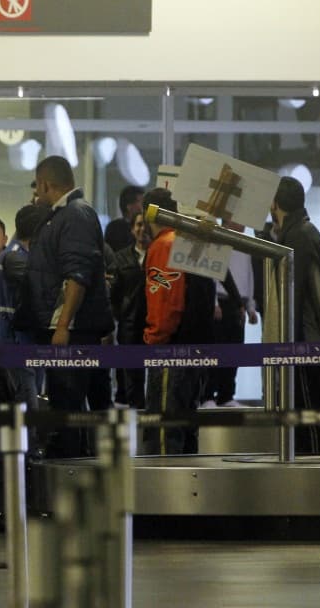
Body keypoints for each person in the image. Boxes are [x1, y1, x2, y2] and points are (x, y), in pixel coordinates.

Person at [28, 156, 114, 458]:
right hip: (70, 328)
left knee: (69, 410)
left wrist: (63, 325)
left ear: (44, 183)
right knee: (67, 408)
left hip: (74, 332)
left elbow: (76, 275)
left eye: (37, 186)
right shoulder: (61, 215)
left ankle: (73, 483)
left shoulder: (75, 215)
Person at [271, 176, 320, 454]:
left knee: (307, 418)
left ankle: (313, 473)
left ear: (276, 203)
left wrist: (290, 342)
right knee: (309, 414)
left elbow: (294, 294)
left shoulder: (296, 237)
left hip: (303, 340)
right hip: (312, 339)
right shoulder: (307, 231)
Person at [142, 188, 216, 455]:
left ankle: (162, 494)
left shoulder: (164, 244)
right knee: (185, 430)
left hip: (170, 351)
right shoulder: (191, 242)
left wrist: (155, 340)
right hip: (195, 351)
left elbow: (165, 299)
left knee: (163, 434)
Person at [0, 203, 49, 412]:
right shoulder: (15, 256)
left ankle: (30, 444)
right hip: (14, 338)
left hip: (28, 336)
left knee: (31, 393)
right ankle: (27, 445)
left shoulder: (26, 254)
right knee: (25, 399)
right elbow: (41, 284)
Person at [202, 221, 258, 408]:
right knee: (214, 350)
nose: (242, 223)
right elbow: (211, 272)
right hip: (219, 300)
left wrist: (250, 306)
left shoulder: (245, 245)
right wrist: (213, 302)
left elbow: (249, 276)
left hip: (238, 303)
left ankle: (226, 395)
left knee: (235, 351)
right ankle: (208, 395)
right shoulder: (216, 241)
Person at [109, 209, 149, 409]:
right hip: (130, 324)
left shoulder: (160, 255)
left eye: (145, 224)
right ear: (133, 229)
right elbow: (113, 293)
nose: (142, 229)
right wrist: (120, 315)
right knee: (130, 373)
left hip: (155, 323)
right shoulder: (121, 258)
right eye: (138, 225)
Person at [104, 185, 145, 253]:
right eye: (141, 202)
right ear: (129, 206)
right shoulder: (114, 228)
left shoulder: (145, 227)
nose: (144, 206)